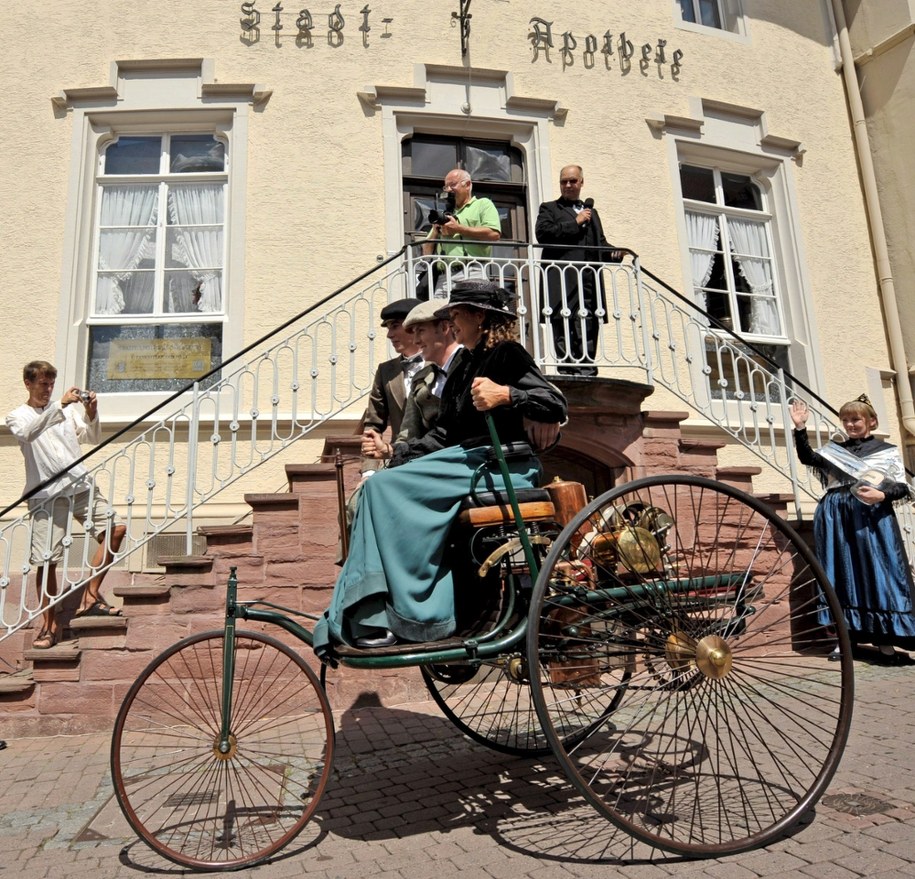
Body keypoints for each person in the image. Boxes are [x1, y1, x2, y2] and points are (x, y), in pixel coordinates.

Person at [314, 280, 567, 655]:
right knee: (377, 486)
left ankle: (413, 613)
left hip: (499, 464)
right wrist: (395, 456)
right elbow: (446, 432)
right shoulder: (464, 365)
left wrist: (507, 396)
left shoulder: (507, 354)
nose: (451, 322)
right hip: (463, 459)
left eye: (456, 314)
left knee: (384, 490)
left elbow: (553, 405)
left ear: (479, 317)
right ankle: (369, 613)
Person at [6, 361, 127, 649]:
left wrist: (91, 412)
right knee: (47, 561)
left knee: (116, 530)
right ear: (28, 383)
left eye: (50, 384)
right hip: (46, 494)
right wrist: (58, 405)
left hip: (80, 484)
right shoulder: (17, 416)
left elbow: (92, 437)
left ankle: (91, 596)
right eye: (42, 384)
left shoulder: (65, 410)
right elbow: (28, 434)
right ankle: (49, 626)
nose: (48, 389)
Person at [790, 395, 915, 662]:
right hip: (836, 516)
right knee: (839, 573)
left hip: (872, 517)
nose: (850, 424)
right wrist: (800, 428)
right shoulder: (836, 451)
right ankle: (844, 640)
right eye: (846, 420)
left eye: (856, 419)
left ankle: (885, 641)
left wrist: (882, 496)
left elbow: (901, 487)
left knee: (877, 574)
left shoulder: (886, 451)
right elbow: (808, 458)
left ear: (871, 421)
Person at [535, 164, 624, 376]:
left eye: (572, 181)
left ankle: (588, 368)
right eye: (564, 181)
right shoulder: (549, 208)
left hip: (588, 279)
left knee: (589, 322)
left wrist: (614, 253)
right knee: (564, 323)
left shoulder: (592, 213)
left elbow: (599, 244)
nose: (568, 185)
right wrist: (575, 222)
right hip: (562, 278)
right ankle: (567, 369)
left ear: (581, 183)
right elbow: (544, 234)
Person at [421, 168, 502, 298]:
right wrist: (436, 230)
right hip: (443, 277)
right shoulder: (446, 213)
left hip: (471, 271)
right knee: (440, 317)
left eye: (452, 185)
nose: (448, 190)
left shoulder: (483, 204)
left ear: (468, 184)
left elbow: (494, 234)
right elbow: (426, 253)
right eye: (446, 187)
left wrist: (458, 228)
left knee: (468, 314)